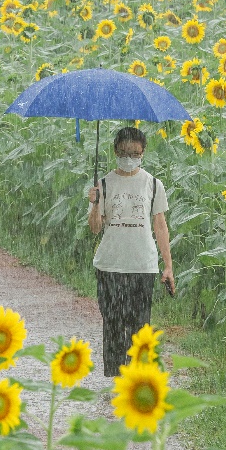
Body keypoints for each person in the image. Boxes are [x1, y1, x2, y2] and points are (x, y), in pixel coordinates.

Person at [86, 125, 174, 379]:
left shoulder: (153, 185)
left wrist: (168, 265)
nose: (129, 158)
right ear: (115, 151)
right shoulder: (103, 184)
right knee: (112, 323)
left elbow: (160, 226)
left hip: (143, 265)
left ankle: (136, 378)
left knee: (140, 326)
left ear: (143, 153)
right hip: (110, 264)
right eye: (124, 152)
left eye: (135, 153)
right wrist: (94, 204)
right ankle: (114, 379)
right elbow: (95, 229)